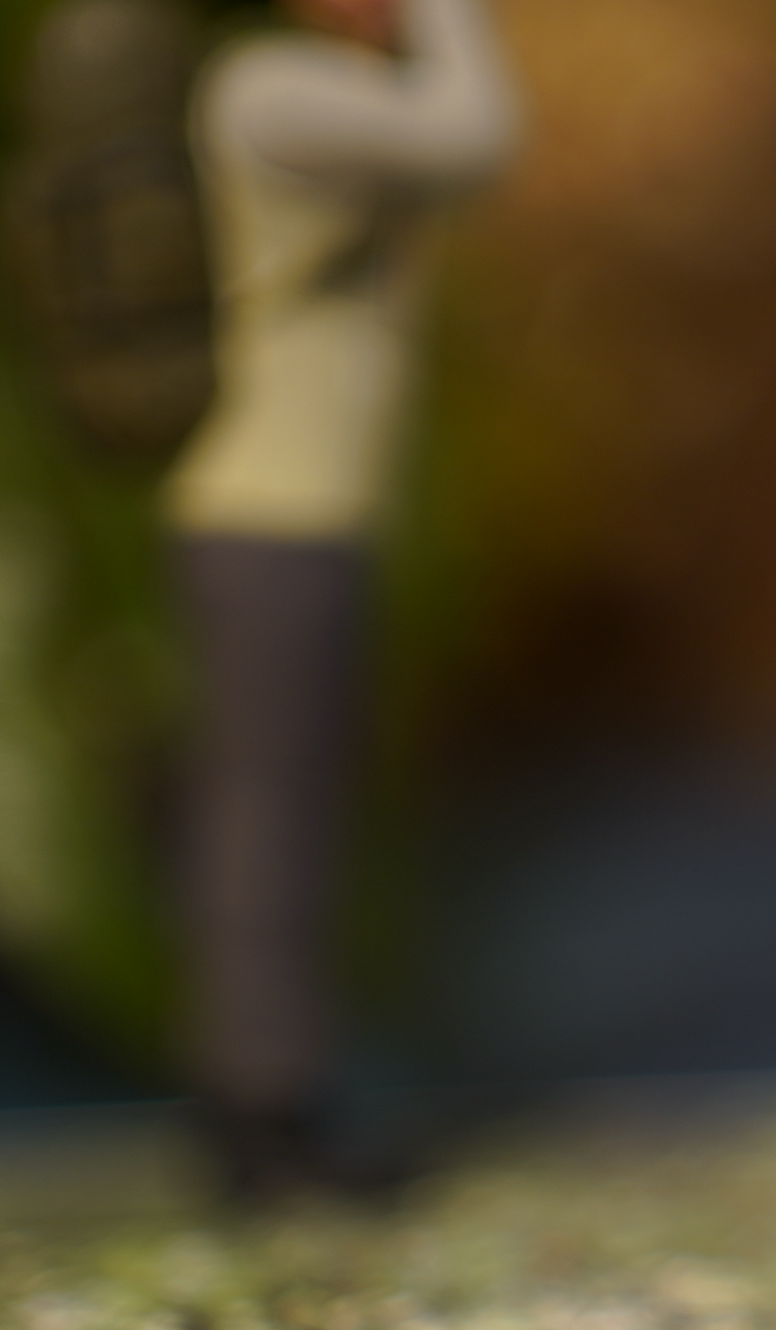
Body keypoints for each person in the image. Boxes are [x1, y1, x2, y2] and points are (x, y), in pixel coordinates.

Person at [166, 0, 522, 1189]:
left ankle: (283, 1087)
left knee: (299, 811)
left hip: (310, 512)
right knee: (267, 815)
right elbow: (477, 133)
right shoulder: (267, 90)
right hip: (267, 511)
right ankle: (261, 1104)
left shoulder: (327, 98)